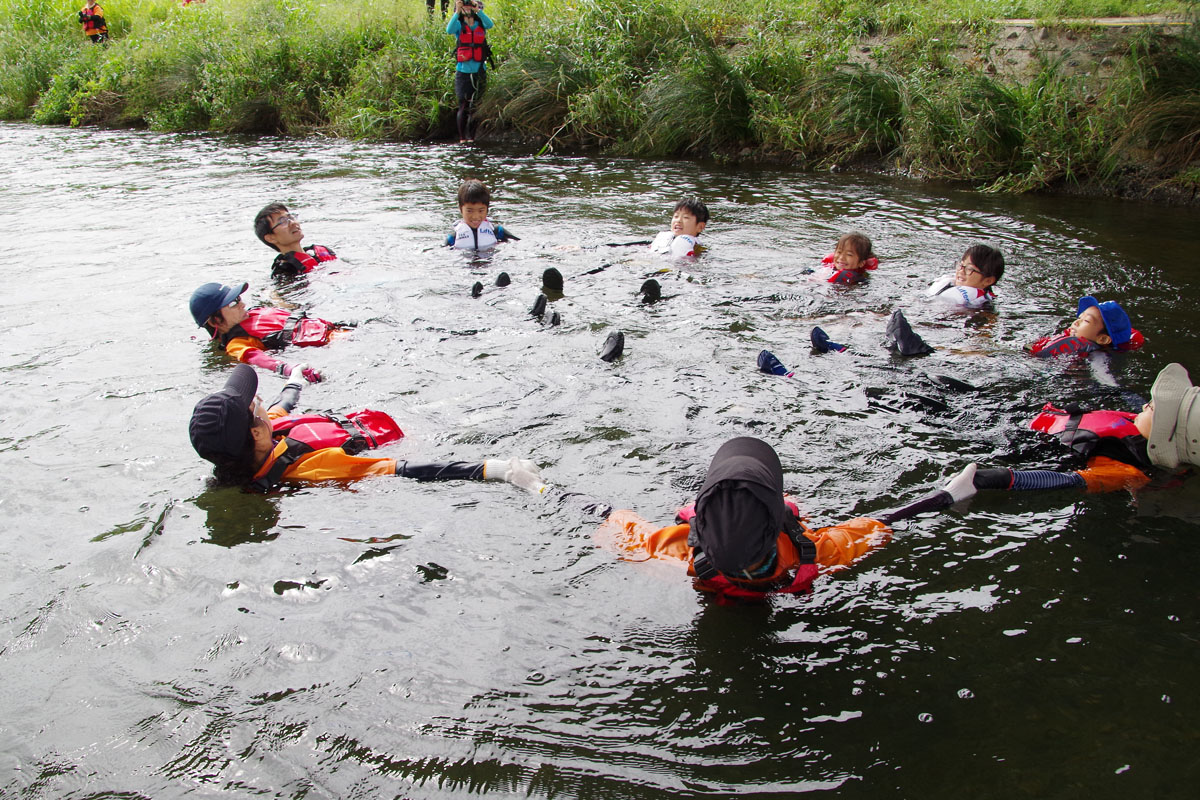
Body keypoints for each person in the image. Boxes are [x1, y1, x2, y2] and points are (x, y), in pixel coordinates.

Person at [594, 437, 976, 602]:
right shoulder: (819, 553)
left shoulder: (672, 550)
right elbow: (885, 522)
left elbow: (609, 518)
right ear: (775, 518)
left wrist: (538, 485)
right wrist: (946, 496)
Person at [190, 363, 546, 494]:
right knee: (500, 407)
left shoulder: (266, 435)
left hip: (382, 418)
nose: (259, 401)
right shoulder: (314, 468)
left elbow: (283, 405)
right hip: (410, 438)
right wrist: (495, 470)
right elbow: (405, 470)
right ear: (255, 433)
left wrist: (296, 380)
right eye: (253, 402)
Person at [962, 362, 1198, 496]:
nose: (1145, 405)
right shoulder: (1137, 423)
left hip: (1013, 440)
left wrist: (992, 479)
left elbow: (1066, 481)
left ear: (1164, 435)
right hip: (1022, 417)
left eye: (1153, 408)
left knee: (929, 404)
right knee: (947, 384)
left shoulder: (1127, 471)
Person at [189, 281, 346, 383]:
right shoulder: (236, 344)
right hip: (334, 343)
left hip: (338, 329)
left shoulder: (254, 313)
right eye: (233, 303)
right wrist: (292, 370)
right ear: (215, 321)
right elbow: (260, 359)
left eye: (239, 298)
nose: (242, 304)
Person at [1028, 296, 1143, 357]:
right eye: (1079, 318)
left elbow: (1107, 382)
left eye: (1086, 321)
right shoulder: (1064, 340)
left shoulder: (1098, 357)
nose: (1076, 322)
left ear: (1102, 339)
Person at [446, 0, 493, 143]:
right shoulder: (459, 24)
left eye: (469, 5)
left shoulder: (481, 24)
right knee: (464, 104)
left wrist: (478, 10)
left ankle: (472, 137)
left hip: (479, 70)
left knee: (476, 105)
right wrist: (457, 11)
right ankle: (462, 139)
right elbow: (449, 30)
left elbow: (490, 24)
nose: (467, 7)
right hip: (463, 71)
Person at [253, 203, 338, 279]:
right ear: (271, 238)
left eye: (290, 217)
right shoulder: (285, 270)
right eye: (282, 221)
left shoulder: (320, 252)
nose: (293, 223)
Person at [925, 244, 1005, 309]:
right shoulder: (949, 283)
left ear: (988, 281)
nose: (961, 271)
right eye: (961, 265)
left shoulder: (984, 304)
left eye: (969, 269)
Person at [446, 179, 518, 250]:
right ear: (461, 209)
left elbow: (518, 242)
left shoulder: (496, 231)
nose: (475, 217)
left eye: (481, 211)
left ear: (487, 209)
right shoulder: (453, 237)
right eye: (469, 211)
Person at [812, 232, 878, 285]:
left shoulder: (859, 280)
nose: (841, 258)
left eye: (849, 255)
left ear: (861, 263)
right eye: (839, 252)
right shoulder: (827, 267)